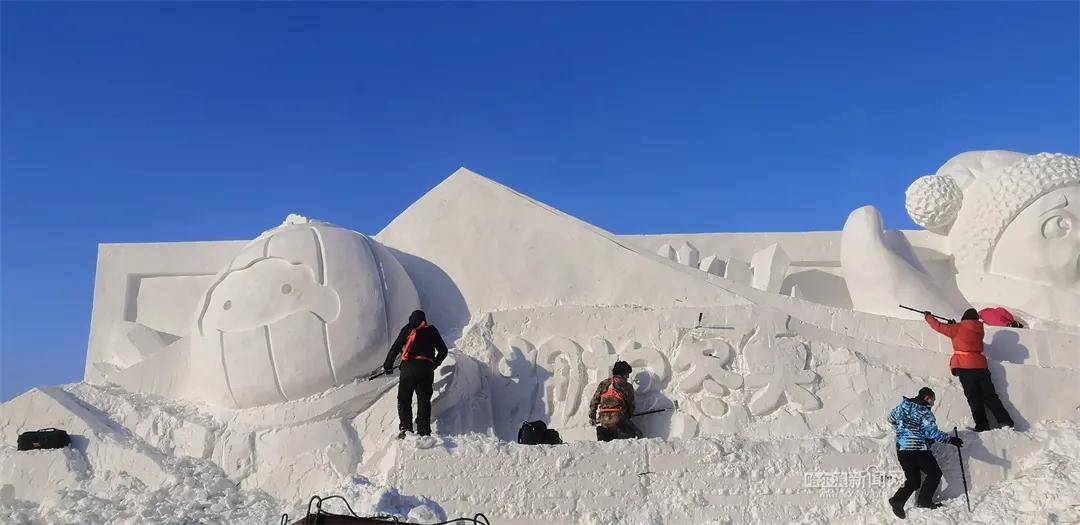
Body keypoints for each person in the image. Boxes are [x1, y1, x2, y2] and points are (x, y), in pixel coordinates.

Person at [924, 308, 1015, 431]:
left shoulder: (957, 329)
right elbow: (966, 333)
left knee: (974, 398)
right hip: (981, 366)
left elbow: (938, 326)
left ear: (964, 319)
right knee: (990, 396)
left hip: (965, 367)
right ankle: (1005, 421)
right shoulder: (979, 330)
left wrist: (928, 317)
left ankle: (983, 425)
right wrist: (954, 325)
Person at [887, 387, 963, 519]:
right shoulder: (925, 413)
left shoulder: (903, 406)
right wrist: (951, 439)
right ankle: (924, 501)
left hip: (903, 450)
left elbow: (890, 418)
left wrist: (901, 428)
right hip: (918, 449)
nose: (933, 403)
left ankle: (897, 501)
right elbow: (932, 433)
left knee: (913, 480)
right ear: (927, 398)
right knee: (934, 473)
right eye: (933, 399)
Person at [383, 310, 448, 438]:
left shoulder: (408, 329)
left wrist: (388, 366)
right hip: (426, 369)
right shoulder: (431, 330)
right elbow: (443, 351)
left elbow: (396, 348)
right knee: (424, 400)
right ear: (424, 320)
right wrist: (433, 364)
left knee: (404, 399)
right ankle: (424, 431)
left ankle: (406, 429)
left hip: (409, 368)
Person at [587, 361, 643, 442]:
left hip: (603, 420)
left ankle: (603, 432)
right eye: (627, 374)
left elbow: (594, 401)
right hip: (619, 419)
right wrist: (628, 416)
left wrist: (592, 417)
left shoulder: (604, 384)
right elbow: (631, 406)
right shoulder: (627, 386)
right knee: (638, 435)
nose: (627, 377)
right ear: (622, 374)